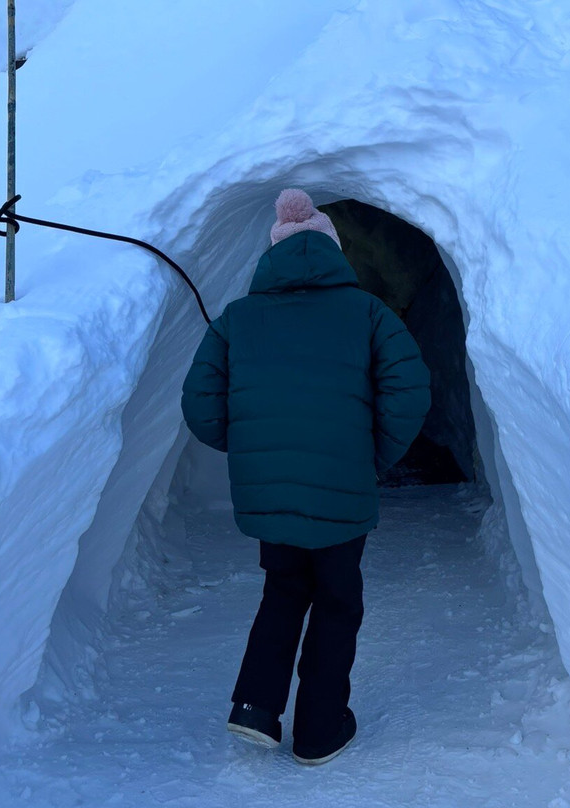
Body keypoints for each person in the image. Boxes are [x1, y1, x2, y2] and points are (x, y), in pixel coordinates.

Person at [181, 189, 430, 765]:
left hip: (273, 495)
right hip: (344, 492)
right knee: (338, 600)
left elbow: (200, 403)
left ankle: (256, 709)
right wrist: (373, 456)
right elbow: (410, 390)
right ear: (335, 252)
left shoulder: (238, 319)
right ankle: (319, 730)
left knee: (284, 589)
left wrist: (254, 450)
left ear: (271, 256)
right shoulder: (369, 313)